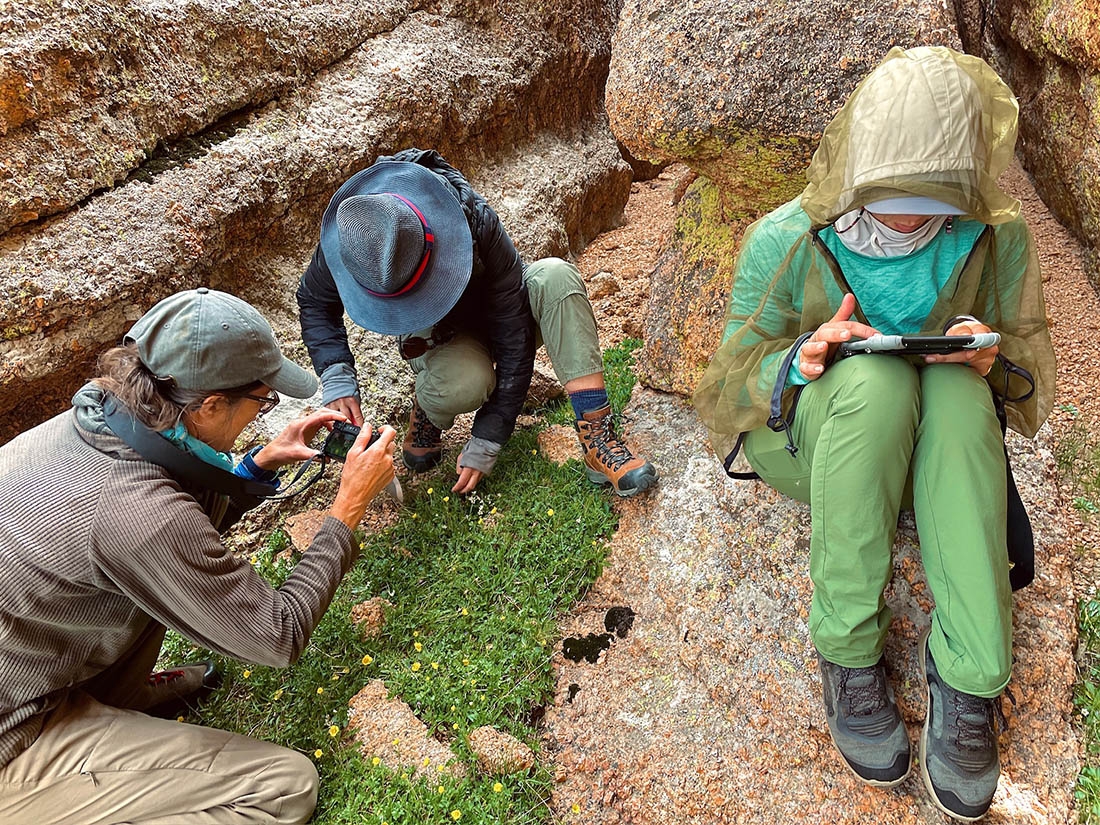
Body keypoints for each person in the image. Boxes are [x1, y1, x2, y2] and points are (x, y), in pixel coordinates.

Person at [694, 46, 1055, 821]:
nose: (908, 215)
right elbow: (726, 386)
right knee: (874, 381)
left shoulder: (995, 234)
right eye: (891, 195)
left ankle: (970, 673)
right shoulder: (785, 236)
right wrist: (799, 357)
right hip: (818, 433)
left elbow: (1024, 373)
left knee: (959, 391)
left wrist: (992, 357)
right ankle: (849, 653)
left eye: (930, 200)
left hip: (940, 434)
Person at [0, 288, 397, 825]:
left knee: (151, 583)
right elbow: (276, 637)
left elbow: (170, 524)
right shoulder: (135, 512)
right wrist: (346, 510)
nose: (266, 409)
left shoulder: (102, 422)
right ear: (209, 406)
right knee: (284, 788)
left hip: (28, 660)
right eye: (263, 398)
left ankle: (120, 702)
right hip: (15, 733)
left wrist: (253, 468)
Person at [297, 148, 657, 496]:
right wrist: (337, 378)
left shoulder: (472, 218)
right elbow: (314, 300)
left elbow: (515, 334)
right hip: (440, 336)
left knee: (555, 276)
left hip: (499, 313)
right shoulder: (354, 235)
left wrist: (489, 434)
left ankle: (598, 438)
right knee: (467, 382)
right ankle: (429, 410)